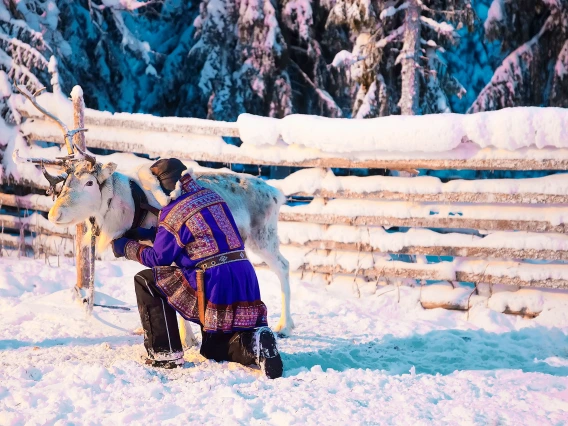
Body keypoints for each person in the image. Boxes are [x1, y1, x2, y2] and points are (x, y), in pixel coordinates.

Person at [111, 158, 283, 379]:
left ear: (161, 187)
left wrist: (126, 247)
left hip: (213, 280)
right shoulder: (212, 197)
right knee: (213, 349)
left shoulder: (174, 212)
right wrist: (148, 235)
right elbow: (197, 236)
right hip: (243, 274)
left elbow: (159, 258)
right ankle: (254, 343)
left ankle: (165, 353)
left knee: (147, 281)